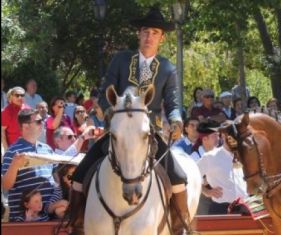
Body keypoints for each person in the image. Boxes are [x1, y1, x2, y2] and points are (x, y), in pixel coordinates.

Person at [69, 8, 192, 234]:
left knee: (179, 177)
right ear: (139, 34)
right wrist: (108, 113)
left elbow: (173, 103)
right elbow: (107, 90)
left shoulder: (168, 68)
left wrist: (175, 120)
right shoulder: (121, 59)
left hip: (149, 132)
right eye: (145, 31)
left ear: (161, 38)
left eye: (155, 32)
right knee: (80, 173)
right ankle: (75, 222)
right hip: (118, 130)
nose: (149, 36)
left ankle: (180, 226)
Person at [1, 109, 67, 221]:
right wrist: (14, 165)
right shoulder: (12, 151)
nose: (43, 123)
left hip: (50, 217)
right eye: (38, 121)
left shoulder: (47, 148)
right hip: (24, 220)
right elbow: (6, 185)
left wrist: (56, 191)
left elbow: (55, 173)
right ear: (25, 126)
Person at [197, 131, 247, 214]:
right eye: (231, 135)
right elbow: (191, 178)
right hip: (221, 209)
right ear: (223, 136)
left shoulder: (243, 155)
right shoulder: (211, 156)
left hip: (244, 208)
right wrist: (207, 192)